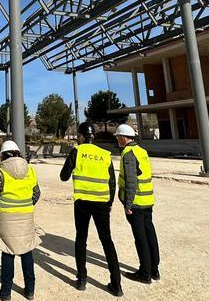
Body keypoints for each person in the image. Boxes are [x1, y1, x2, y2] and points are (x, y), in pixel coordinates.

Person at [59, 121, 123, 297]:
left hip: (82, 203)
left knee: (81, 239)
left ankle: (81, 280)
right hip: (102, 203)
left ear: (80, 136)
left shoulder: (77, 151)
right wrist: (109, 203)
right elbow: (112, 182)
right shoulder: (104, 154)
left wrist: (72, 164)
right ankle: (117, 285)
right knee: (107, 241)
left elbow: (63, 176)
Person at [0, 140, 39, 301]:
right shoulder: (30, 170)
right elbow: (36, 193)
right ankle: (30, 290)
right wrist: (26, 205)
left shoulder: (1, 171)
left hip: (5, 217)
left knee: (8, 252)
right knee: (26, 251)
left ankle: (5, 293)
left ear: (3, 155)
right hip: (26, 216)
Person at [114, 124, 160, 284]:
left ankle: (145, 273)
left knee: (140, 238)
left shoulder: (128, 153)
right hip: (147, 201)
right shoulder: (142, 151)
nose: (117, 140)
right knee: (150, 234)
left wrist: (128, 203)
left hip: (136, 203)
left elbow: (131, 180)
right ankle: (154, 269)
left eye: (118, 137)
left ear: (123, 137)